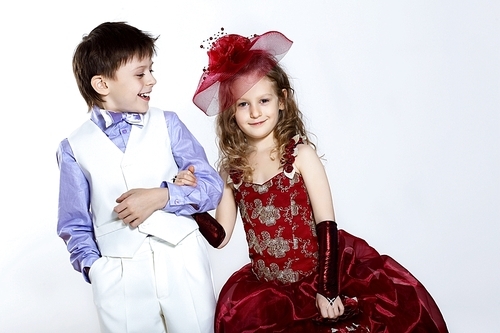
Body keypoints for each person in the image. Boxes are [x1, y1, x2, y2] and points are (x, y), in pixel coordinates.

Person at [176, 30, 450, 332]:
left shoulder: (300, 155)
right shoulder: (233, 171)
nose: (255, 112)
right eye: (243, 104)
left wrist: (327, 289)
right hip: (268, 291)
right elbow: (220, 237)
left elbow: (326, 225)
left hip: (320, 277)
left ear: (282, 101)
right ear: (231, 112)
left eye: (263, 100)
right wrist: (190, 202)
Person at [56, 22, 224, 333]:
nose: (152, 79)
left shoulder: (168, 124)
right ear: (102, 84)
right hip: (119, 275)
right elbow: (73, 222)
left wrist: (163, 196)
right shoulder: (73, 148)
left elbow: (212, 187)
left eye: (151, 70)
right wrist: (97, 270)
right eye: (140, 73)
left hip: (181, 259)